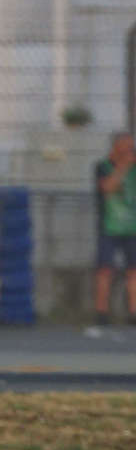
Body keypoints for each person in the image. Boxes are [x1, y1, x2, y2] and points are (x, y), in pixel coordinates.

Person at [91, 132, 136, 333]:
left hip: (131, 227)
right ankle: (101, 314)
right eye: (127, 146)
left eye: (131, 146)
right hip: (108, 227)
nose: (130, 150)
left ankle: (134, 313)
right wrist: (124, 166)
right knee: (104, 270)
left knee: (133, 271)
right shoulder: (102, 166)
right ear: (116, 147)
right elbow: (107, 187)